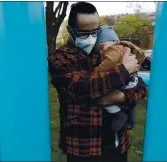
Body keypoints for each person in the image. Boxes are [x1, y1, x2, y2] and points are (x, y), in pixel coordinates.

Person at [48, 2, 147, 162]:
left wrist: (119, 96)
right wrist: (124, 70)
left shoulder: (107, 51)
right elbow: (79, 87)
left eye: (95, 32)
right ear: (70, 31)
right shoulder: (59, 58)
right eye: (83, 33)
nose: (91, 38)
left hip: (117, 143)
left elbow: (140, 87)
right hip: (83, 147)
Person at [93, 26, 146, 147]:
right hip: (129, 81)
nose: (102, 52)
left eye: (102, 48)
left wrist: (97, 70)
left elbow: (108, 64)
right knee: (127, 102)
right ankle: (130, 120)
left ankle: (120, 117)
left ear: (112, 41)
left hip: (123, 83)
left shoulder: (114, 49)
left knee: (110, 102)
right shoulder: (123, 49)